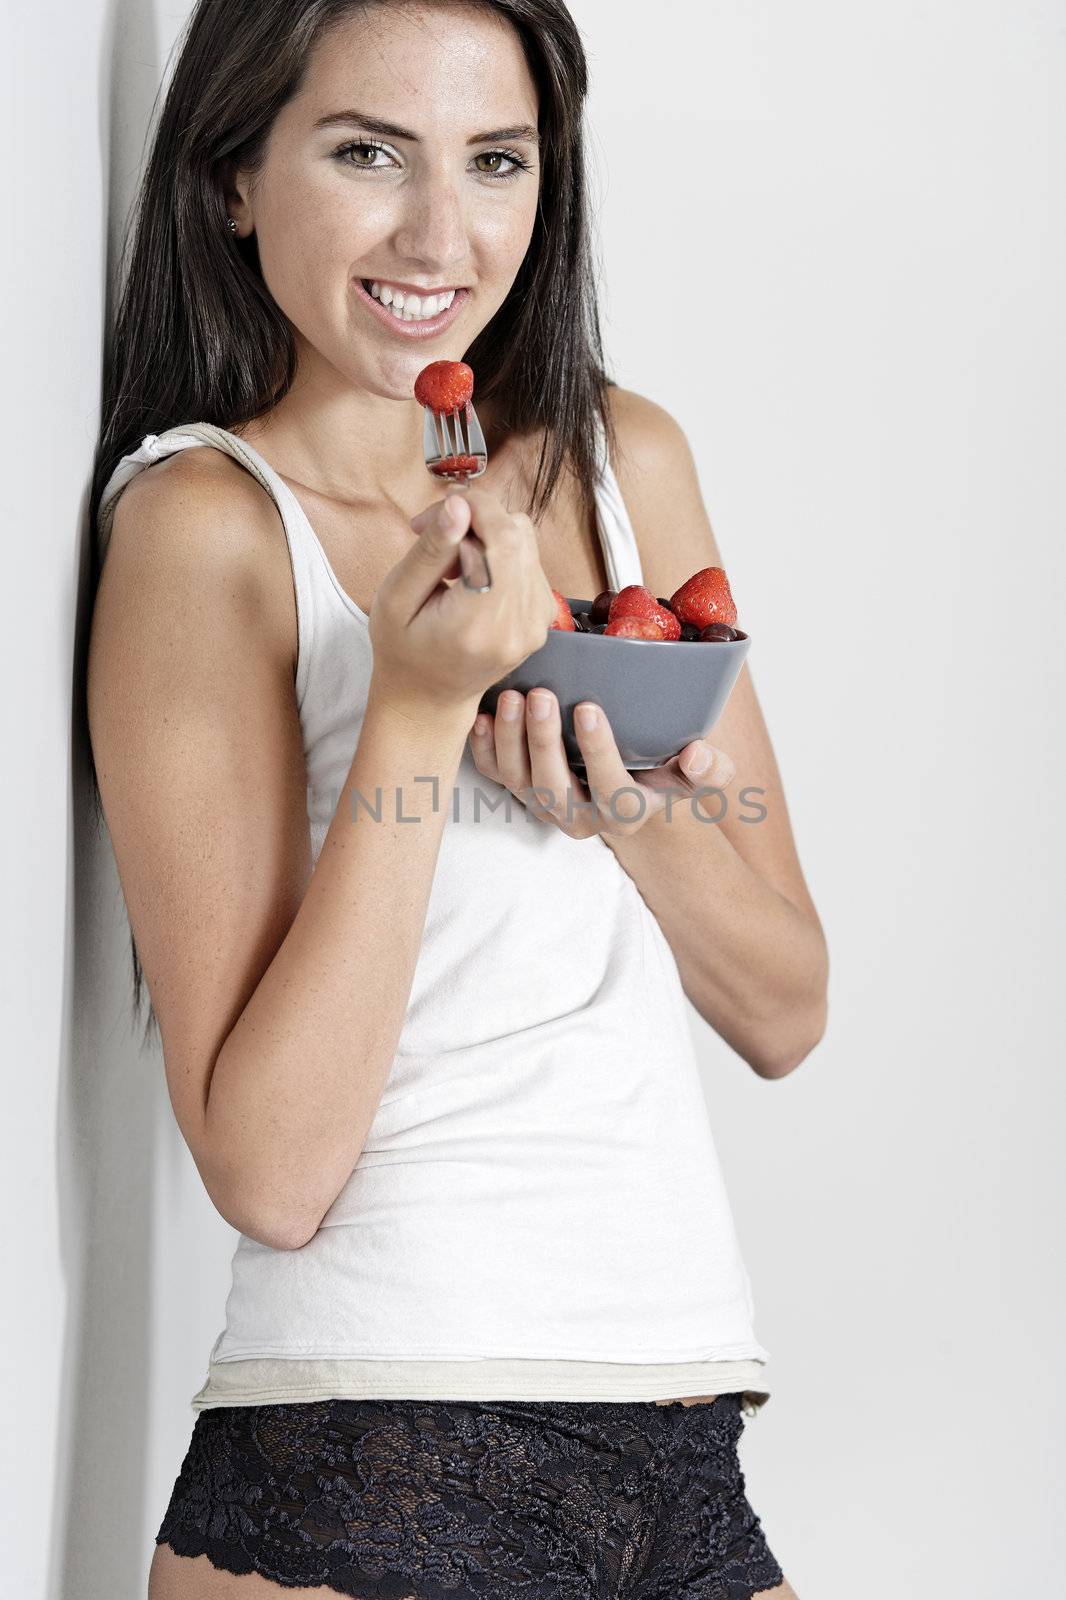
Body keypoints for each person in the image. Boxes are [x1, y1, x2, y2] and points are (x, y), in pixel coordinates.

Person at [87, 1, 827, 1595]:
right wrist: (416, 714)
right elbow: (271, 1173)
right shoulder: (207, 525)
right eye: (366, 152)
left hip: (683, 1429)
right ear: (233, 175)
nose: (442, 233)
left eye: (495, 161)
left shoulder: (627, 464)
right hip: (375, 1444)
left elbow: (783, 1008)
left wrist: (622, 805)